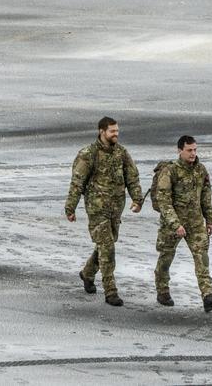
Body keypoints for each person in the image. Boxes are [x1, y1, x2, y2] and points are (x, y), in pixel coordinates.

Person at [65, 117, 143, 307]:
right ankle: (110, 291)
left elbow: (132, 177)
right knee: (107, 248)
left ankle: (88, 273)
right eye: (112, 131)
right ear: (102, 131)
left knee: (105, 246)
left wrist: (137, 199)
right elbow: (77, 183)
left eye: (117, 131)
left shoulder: (122, 153)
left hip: (116, 209)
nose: (116, 134)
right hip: (97, 209)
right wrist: (70, 207)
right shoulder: (88, 154)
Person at [153, 135, 212, 311]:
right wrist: (176, 224)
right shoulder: (170, 171)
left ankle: (208, 296)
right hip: (172, 224)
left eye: (195, 150)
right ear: (180, 151)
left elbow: (205, 197)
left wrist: (210, 219)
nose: (193, 153)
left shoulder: (201, 170)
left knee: (202, 258)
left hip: (196, 223)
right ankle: (162, 290)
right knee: (166, 257)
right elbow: (163, 200)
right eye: (189, 150)